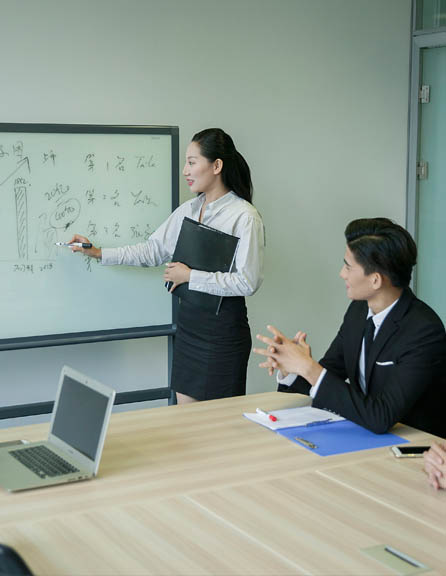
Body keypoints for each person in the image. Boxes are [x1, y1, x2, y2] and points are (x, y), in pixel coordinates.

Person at [69, 128, 265, 404]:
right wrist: (98, 252)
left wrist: (190, 276)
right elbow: (152, 250)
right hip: (189, 328)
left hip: (223, 334)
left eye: (192, 162)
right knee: (186, 421)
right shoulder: (188, 210)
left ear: (217, 166)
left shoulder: (244, 216)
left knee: (216, 425)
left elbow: (248, 281)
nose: (185, 170)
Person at [254, 217, 446, 436]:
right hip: (364, 435)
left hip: (415, 445)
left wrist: (309, 368)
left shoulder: (424, 332)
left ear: (375, 280)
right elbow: (328, 380)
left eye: (348, 266)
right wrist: (293, 368)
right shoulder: (358, 310)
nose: (342, 273)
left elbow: (382, 416)